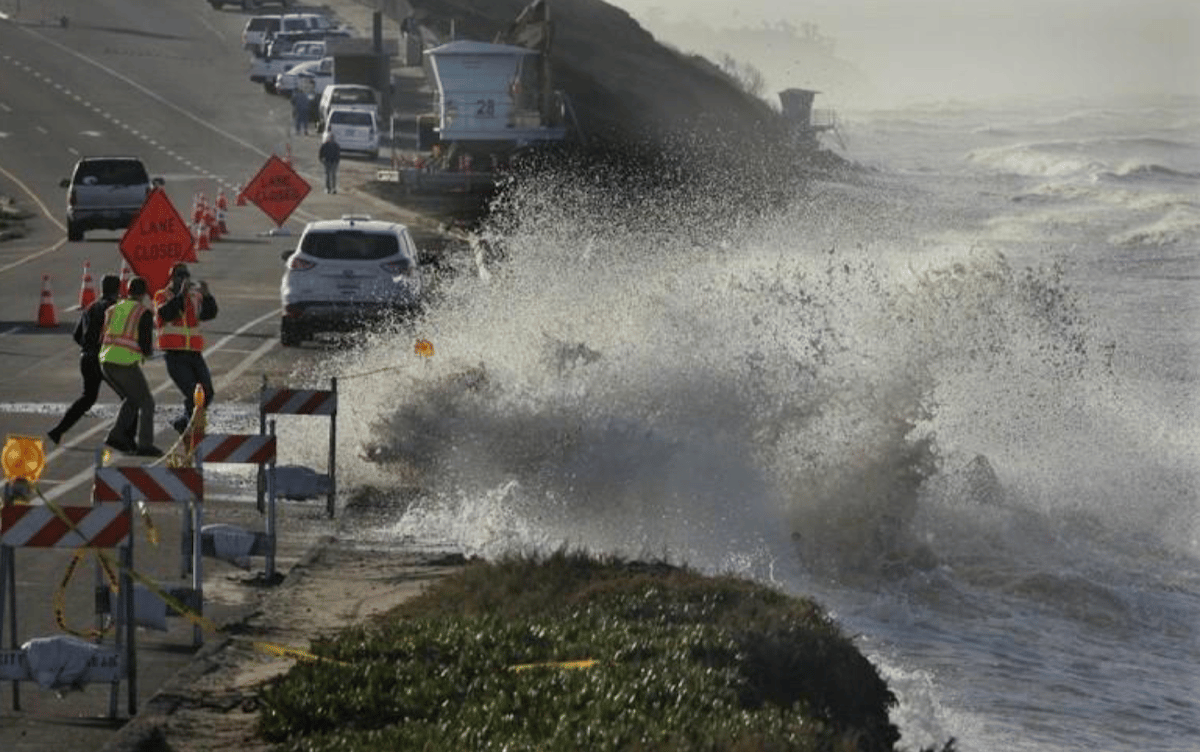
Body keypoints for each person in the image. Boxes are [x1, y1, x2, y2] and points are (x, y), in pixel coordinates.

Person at [48, 273, 123, 445]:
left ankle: (58, 430)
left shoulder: (91, 307)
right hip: (106, 358)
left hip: (87, 358)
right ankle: (122, 436)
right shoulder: (115, 308)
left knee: (87, 397)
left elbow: (76, 335)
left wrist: (88, 347)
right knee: (129, 397)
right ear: (118, 289)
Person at [98, 277, 161, 457]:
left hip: (105, 361)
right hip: (123, 363)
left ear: (128, 290)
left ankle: (116, 435)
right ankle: (145, 444)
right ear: (144, 293)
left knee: (132, 399)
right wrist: (149, 353)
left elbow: (103, 335)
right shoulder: (143, 312)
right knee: (147, 402)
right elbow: (145, 343)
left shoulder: (112, 308)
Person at [153, 263, 217, 435]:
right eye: (179, 276)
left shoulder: (194, 297)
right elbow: (167, 314)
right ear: (172, 278)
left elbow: (209, 314)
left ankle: (184, 422)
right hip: (175, 354)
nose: (183, 279)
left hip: (194, 353)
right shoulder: (162, 296)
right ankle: (192, 426)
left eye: (185, 276)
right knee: (193, 393)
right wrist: (180, 294)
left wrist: (207, 295)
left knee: (208, 392)